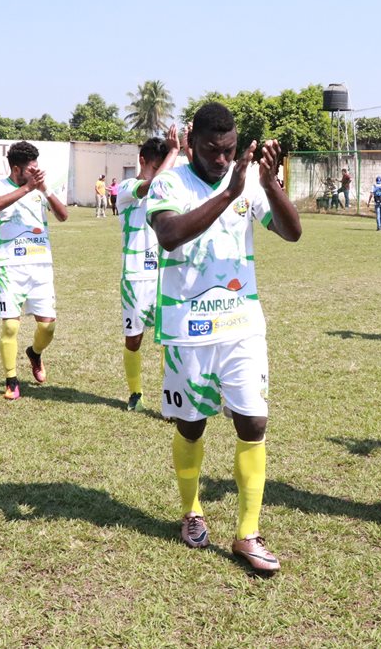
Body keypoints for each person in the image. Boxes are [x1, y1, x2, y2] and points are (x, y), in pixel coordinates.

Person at [146, 102, 301, 573]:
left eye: (230, 150)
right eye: (213, 150)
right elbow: (170, 235)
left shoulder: (249, 181)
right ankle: (192, 511)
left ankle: (247, 534)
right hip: (187, 329)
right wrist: (228, 193)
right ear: (191, 142)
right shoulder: (169, 184)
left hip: (241, 326)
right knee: (191, 425)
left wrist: (268, 183)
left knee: (253, 422)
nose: (221, 159)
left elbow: (292, 232)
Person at [0, 141, 69, 400]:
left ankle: (34, 353)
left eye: (37, 167)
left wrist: (44, 190)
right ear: (16, 169)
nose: (36, 172)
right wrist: (26, 189)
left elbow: (63, 215)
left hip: (41, 266)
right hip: (11, 267)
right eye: (30, 169)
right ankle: (11, 380)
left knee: (48, 328)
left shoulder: (41, 187)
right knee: (10, 326)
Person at [117, 125, 181, 411]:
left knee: (173, 340)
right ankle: (136, 393)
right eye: (156, 167)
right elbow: (150, 186)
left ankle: (172, 400)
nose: (160, 174)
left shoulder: (167, 188)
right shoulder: (127, 189)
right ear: (142, 161)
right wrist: (176, 151)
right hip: (136, 277)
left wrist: (185, 150)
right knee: (134, 339)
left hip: (165, 274)